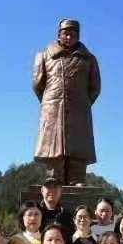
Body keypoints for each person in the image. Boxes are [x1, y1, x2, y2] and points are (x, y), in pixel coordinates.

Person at [33, 18, 101, 185]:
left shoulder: (89, 59)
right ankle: (53, 180)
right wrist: (51, 102)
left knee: (78, 149)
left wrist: (81, 103)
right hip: (53, 109)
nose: (69, 37)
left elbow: (95, 88)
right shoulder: (44, 55)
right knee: (53, 149)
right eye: (66, 34)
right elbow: (38, 85)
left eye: (73, 34)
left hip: (79, 111)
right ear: (59, 35)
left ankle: (77, 180)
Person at [37, 177, 75, 243]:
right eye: (48, 187)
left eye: (55, 187)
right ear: (42, 190)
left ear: (61, 191)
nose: (52, 191)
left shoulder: (68, 216)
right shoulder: (34, 213)